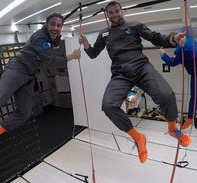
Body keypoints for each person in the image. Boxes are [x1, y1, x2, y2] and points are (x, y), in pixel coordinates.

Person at [0, 12, 81, 155]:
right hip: (18, 69)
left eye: (59, 25)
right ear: (46, 25)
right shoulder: (40, 37)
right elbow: (52, 61)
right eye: (53, 24)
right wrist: (72, 56)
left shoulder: (50, 38)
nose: (56, 28)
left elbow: (52, 44)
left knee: (24, 113)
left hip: (29, 76)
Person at [78, 1, 191, 163]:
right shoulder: (104, 34)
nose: (115, 14)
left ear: (121, 11)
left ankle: (173, 129)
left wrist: (173, 38)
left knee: (166, 95)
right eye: (111, 13)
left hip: (141, 67)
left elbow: (155, 37)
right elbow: (93, 53)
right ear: (107, 15)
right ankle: (138, 138)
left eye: (117, 11)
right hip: (120, 74)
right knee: (108, 106)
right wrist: (86, 45)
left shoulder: (135, 25)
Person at [159, 32, 197, 129]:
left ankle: (190, 119)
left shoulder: (180, 50)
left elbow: (172, 62)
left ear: (174, 42)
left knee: (194, 97)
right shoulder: (188, 37)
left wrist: (163, 55)